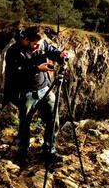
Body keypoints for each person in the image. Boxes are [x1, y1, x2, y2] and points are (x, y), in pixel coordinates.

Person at [4, 26, 68, 165]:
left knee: (53, 118)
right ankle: (23, 152)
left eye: (40, 44)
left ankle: (49, 150)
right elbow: (14, 73)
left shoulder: (41, 42)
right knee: (25, 122)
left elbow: (51, 51)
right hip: (26, 91)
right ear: (26, 40)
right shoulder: (14, 51)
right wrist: (36, 69)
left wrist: (60, 55)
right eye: (35, 44)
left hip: (45, 88)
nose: (38, 47)